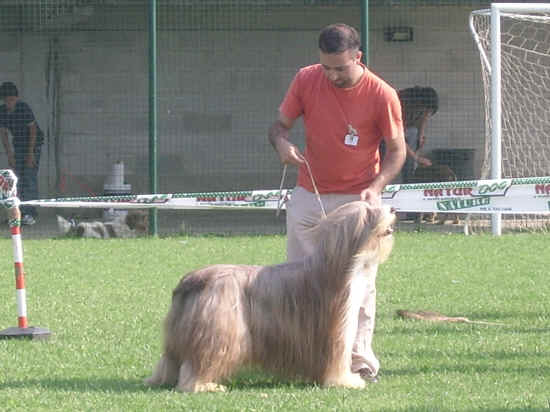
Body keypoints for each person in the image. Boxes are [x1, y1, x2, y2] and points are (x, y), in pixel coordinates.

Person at [268, 23, 406, 382]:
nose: (332, 75)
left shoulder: (382, 94)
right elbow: (278, 127)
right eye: (326, 67)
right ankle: (303, 361)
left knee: (358, 286)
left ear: (357, 57)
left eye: (340, 68)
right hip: (308, 194)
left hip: (358, 202)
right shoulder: (306, 79)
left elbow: (397, 151)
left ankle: (360, 364)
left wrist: (376, 187)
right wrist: (282, 144)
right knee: (298, 283)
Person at [0, 81, 44, 225]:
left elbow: (33, 131)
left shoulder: (23, 108)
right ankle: (15, 214)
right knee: (16, 180)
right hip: (18, 146)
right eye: (7, 100)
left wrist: (30, 154)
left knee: (29, 178)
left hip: (33, 145)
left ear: (17, 98)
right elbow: (3, 134)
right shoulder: (2, 111)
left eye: (12, 100)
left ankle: (30, 214)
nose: (10, 103)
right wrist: (10, 155)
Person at [398, 86, 438, 183]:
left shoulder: (420, 105)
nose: (426, 115)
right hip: (383, 133)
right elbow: (399, 138)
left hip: (402, 130)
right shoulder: (401, 103)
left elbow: (425, 118)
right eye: (426, 111)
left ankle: (410, 179)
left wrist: (421, 135)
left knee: (414, 132)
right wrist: (417, 158)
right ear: (421, 105)